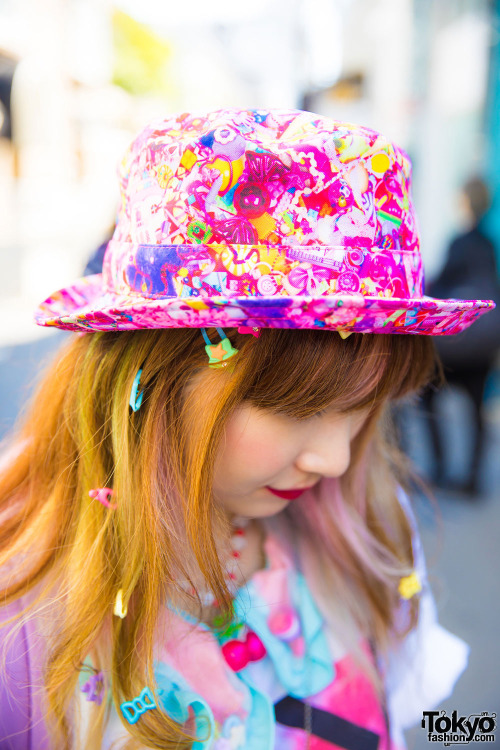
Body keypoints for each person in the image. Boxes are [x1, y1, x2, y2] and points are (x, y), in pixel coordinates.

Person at [0, 109, 494, 750]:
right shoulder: (29, 620)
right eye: (297, 408)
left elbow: (430, 727)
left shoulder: (369, 529)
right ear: (150, 378)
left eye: (367, 405)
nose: (336, 459)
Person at [423, 177, 500, 495]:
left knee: (427, 399)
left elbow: (438, 288)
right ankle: (472, 479)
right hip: (481, 347)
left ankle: (439, 468)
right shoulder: (488, 246)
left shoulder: (459, 242)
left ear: (465, 203)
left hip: (452, 347)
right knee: (476, 411)